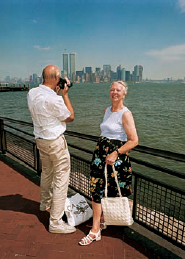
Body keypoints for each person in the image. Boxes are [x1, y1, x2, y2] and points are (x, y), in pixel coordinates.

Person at [79, 81, 138, 245]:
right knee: (96, 189)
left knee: (112, 189)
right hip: (100, 156)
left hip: (115, 159)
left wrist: (115, 152)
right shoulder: (107, 110)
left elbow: (134, 140)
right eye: (112, 89)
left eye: (118, 90)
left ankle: (102, 223)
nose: (114, 92)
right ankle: (96, 228)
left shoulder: (126, 114)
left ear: (124, 93)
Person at [27, 64, 76, 234]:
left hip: (40, 140)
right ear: (57, 79)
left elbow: (47, 106)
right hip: (55, 142)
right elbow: (70, 117)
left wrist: (55, 92)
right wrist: (65, 94)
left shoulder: (32, 93)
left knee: (47, 173)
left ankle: (44, 203)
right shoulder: (55, 99)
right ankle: (55, 222)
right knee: (61, 179)